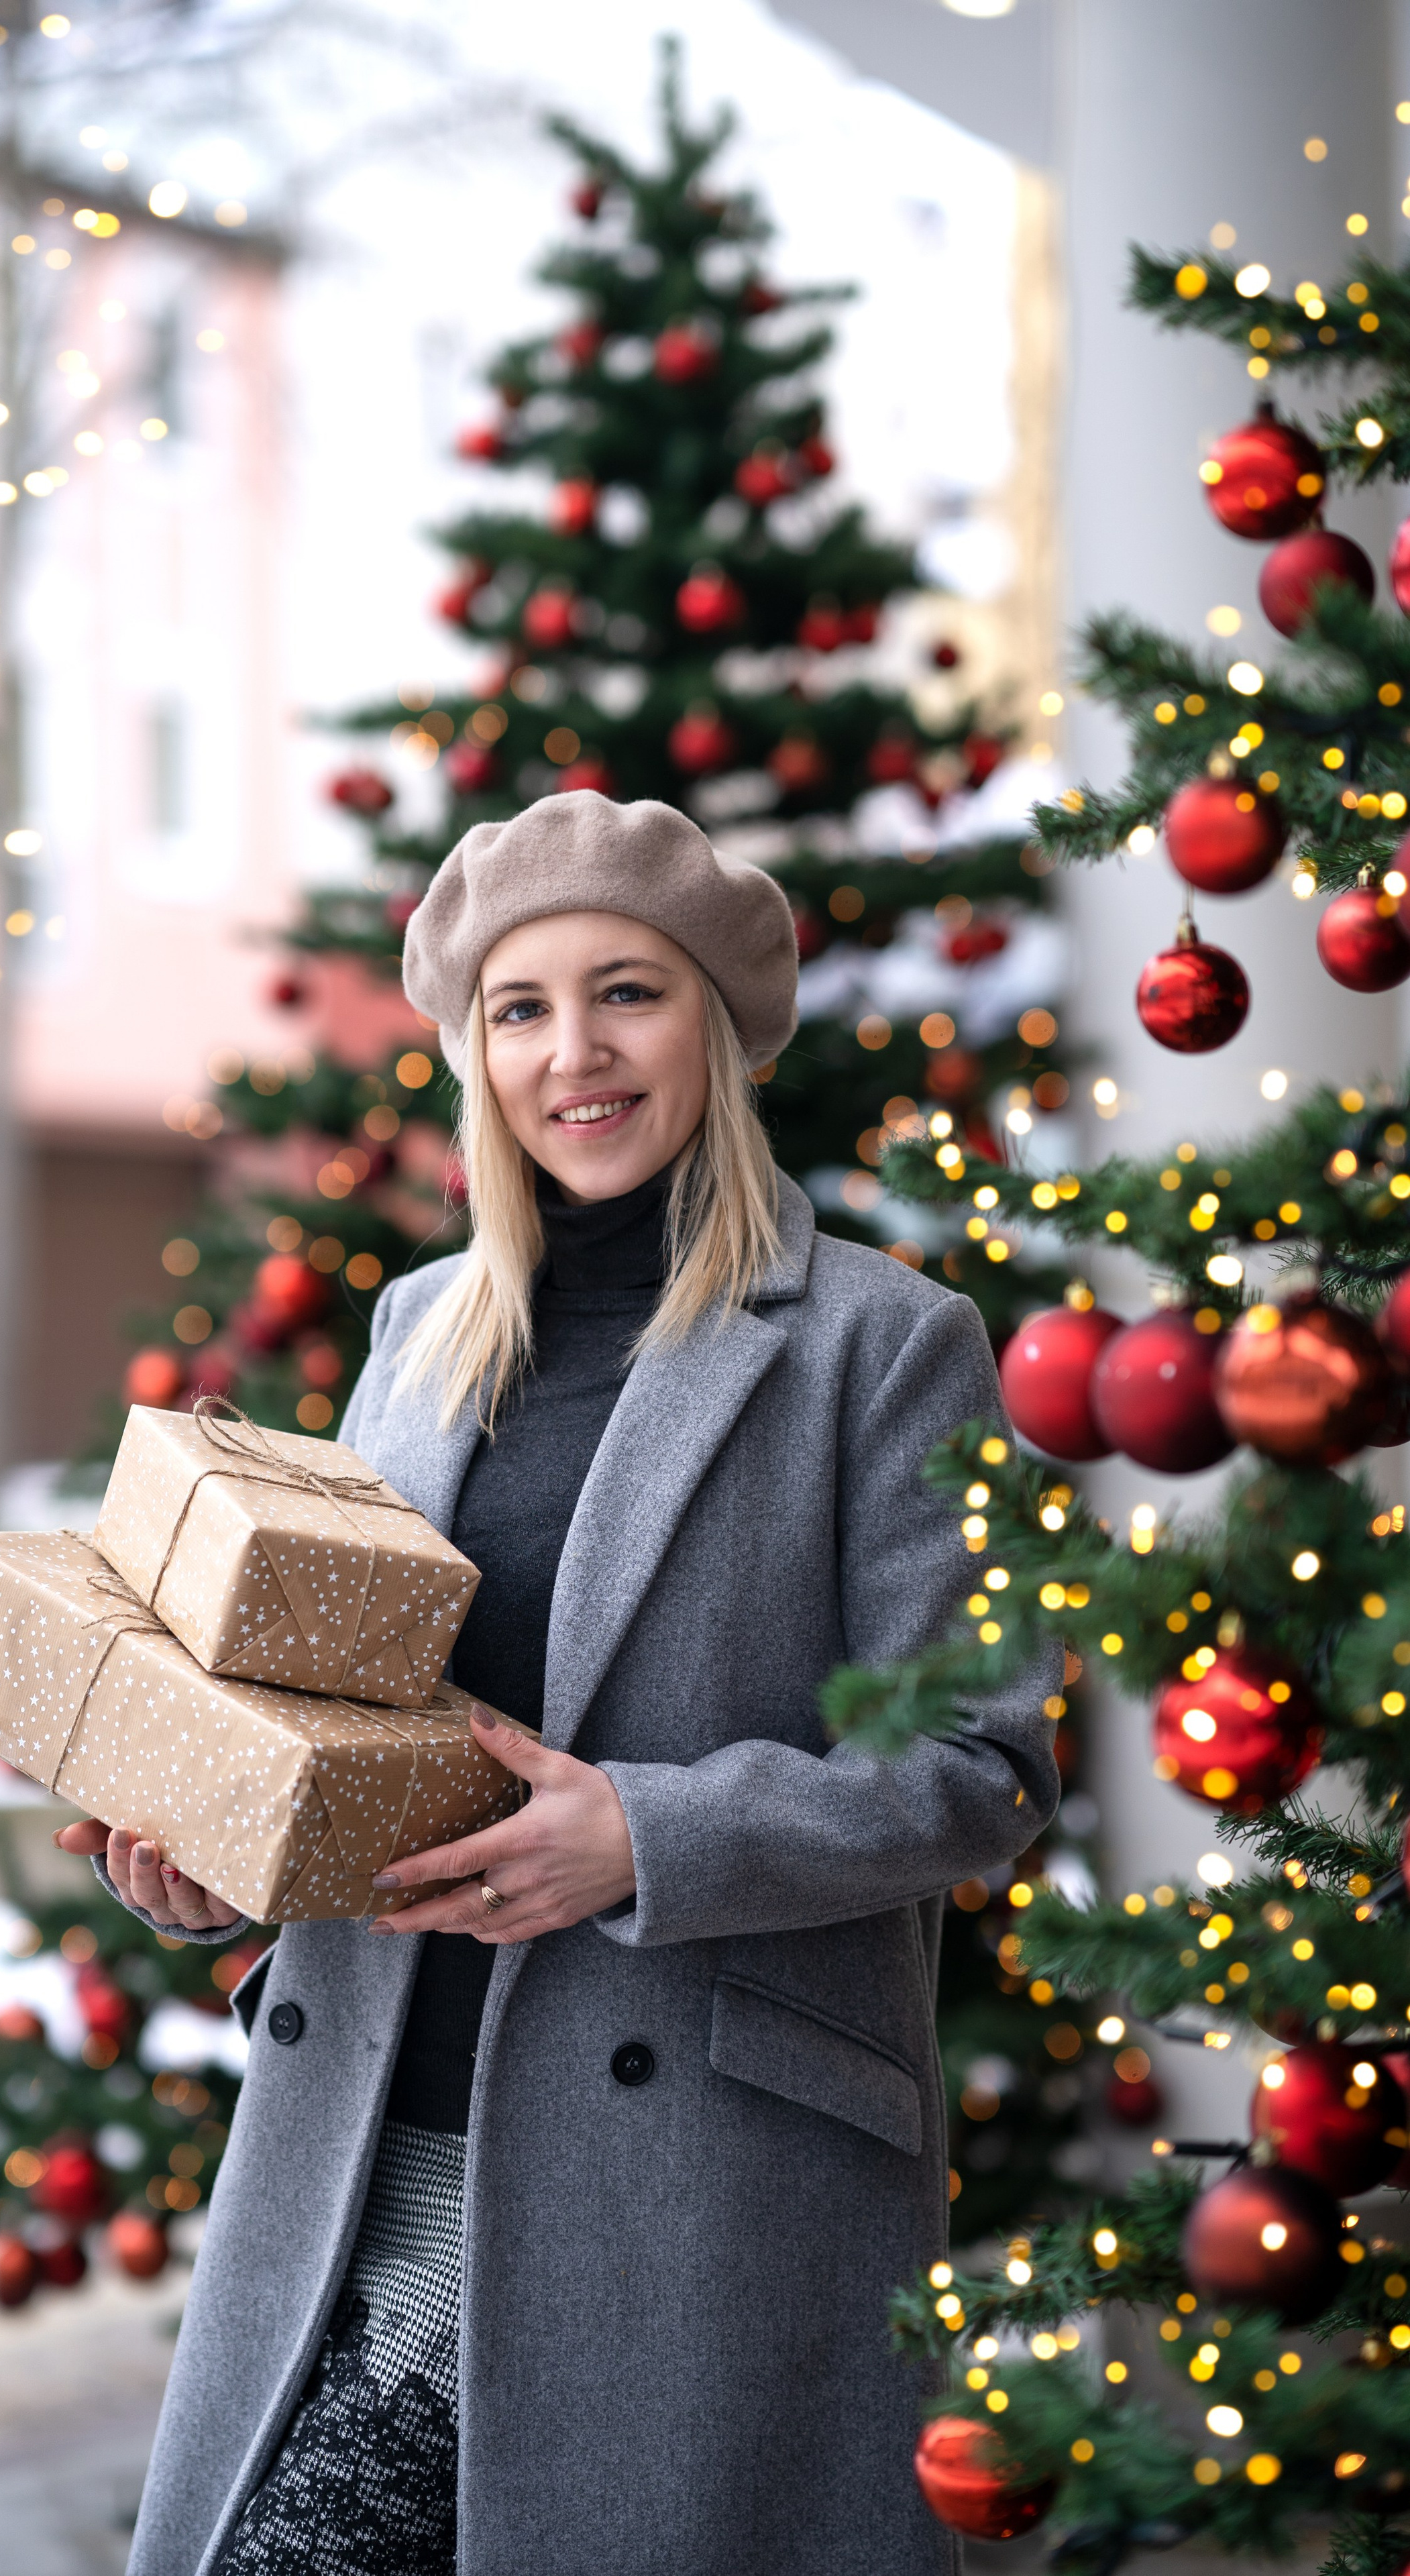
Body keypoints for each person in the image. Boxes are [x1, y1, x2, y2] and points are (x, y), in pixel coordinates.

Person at [58, 792, 1061, 2576]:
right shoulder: (418, 1333)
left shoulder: (882, 1343)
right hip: (364, 2126)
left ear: (716, 1030)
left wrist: (644, 1839)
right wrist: (224, 1855)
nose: (573, 1054)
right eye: (520, 1008)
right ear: (476, 1057)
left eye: (627, 994)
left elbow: (983, 1767)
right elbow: (356, 1719)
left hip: (681, 2181)